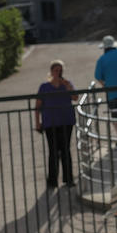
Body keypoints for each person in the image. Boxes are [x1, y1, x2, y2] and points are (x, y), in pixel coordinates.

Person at [34, 59, 78, 190]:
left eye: (60, 70)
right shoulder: (44, 87)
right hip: (50, 122)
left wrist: (68, 87)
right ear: (51, 71)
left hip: (66, 121)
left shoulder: (67, 84)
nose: (58, 73)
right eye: (56, 70)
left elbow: (75, 98)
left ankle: (68, 179)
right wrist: (37, 123)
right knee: (53, 151)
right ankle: (52, 181)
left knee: (65, 150)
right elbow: (37, 106)